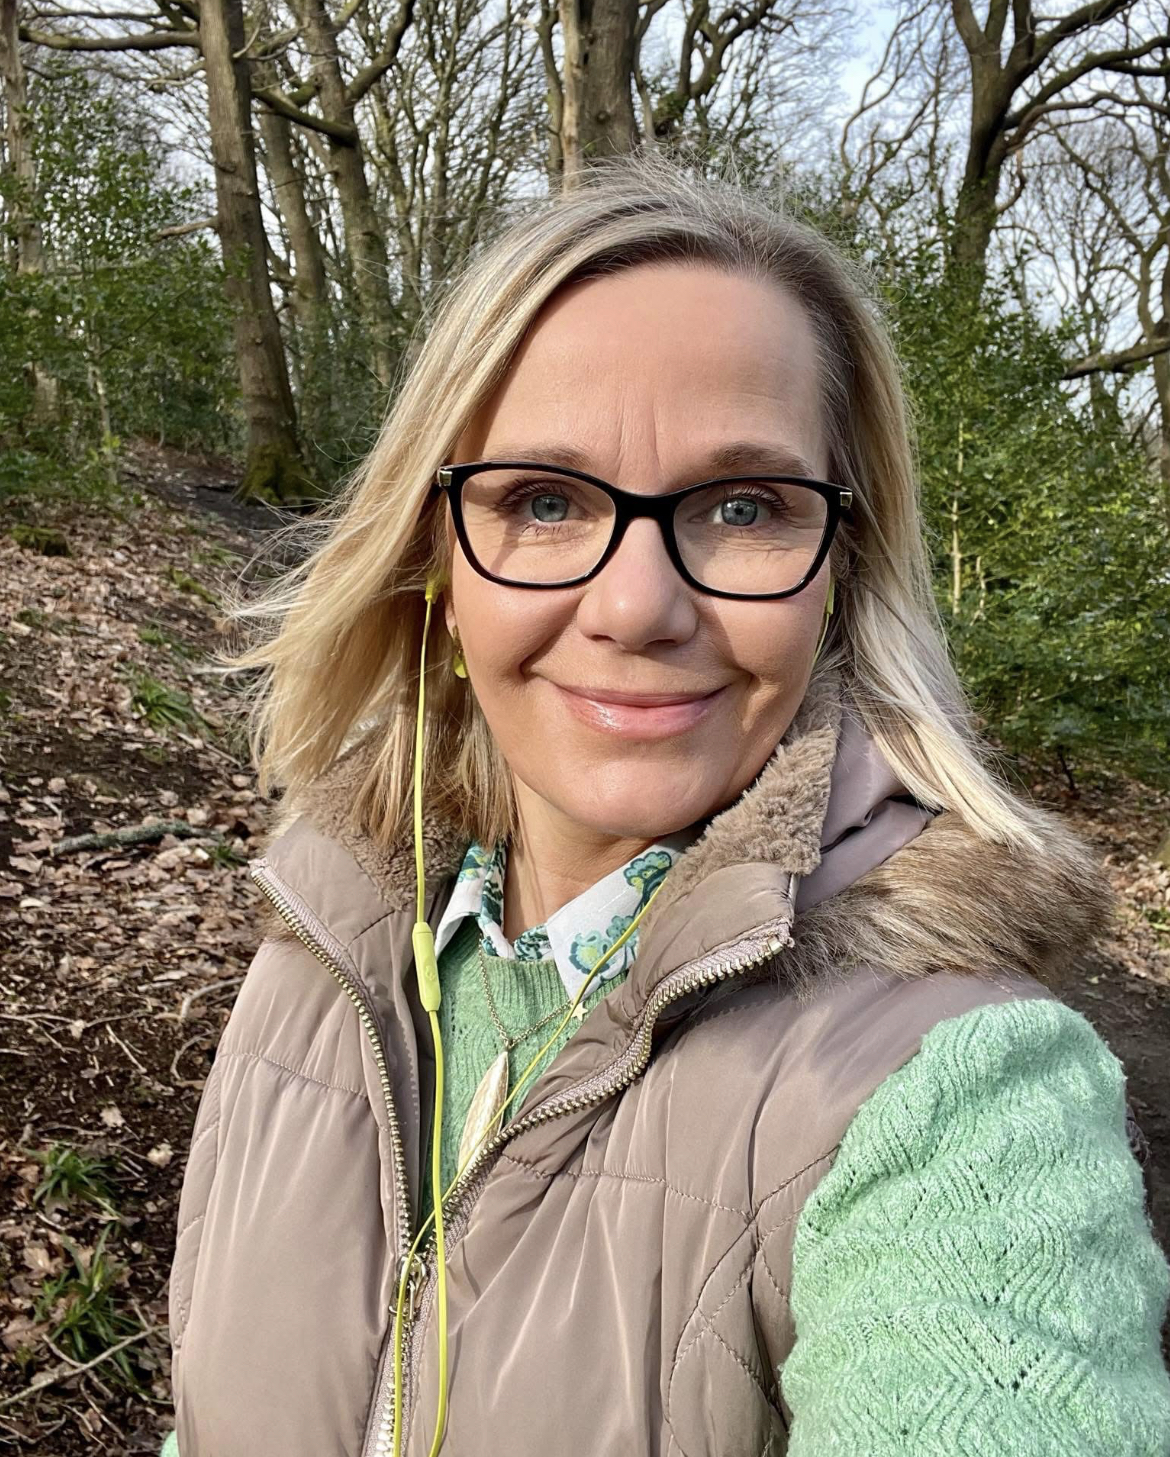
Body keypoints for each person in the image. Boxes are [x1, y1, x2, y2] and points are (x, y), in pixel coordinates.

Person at [162, 152, 1170, 1457]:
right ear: (433, 559)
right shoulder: (319, 956)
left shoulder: (955, 1099)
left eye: (742, 505)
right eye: (541, 499)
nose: (638, 606)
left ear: (836, 574)